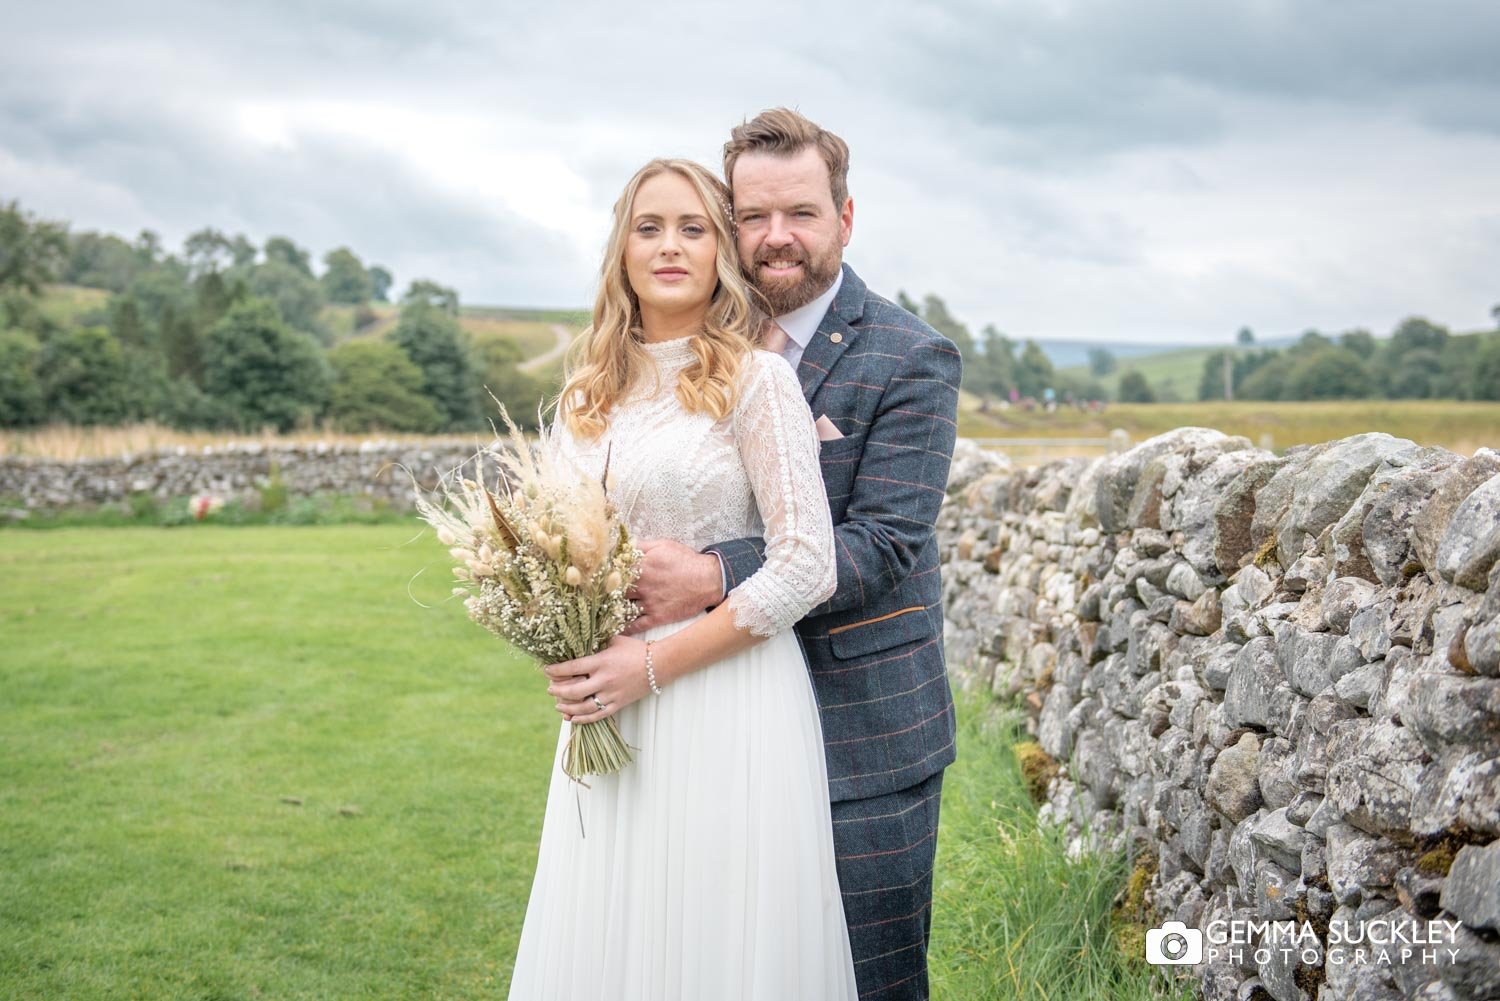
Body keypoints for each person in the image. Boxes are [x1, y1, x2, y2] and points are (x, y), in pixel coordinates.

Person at [615, 109, 963, 999]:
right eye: (752, 214)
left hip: (862, 735)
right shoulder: (688, 356)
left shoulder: (910, 356)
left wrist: (711, 572)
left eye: (801, 213)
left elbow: (883, 543)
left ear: (845, 219)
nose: (775, 238)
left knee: (865, 978)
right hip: (708, 719)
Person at [507, 157, 860, 1001]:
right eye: (649, 227)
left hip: (728, 696)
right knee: (612, 931)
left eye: (694, 227)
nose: (671, 246)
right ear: (621, 251)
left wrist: (656, 664)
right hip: (611, 707)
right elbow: (552, 551)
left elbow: (808, 562)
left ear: (720, 253)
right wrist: (561, 635)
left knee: (718, 933)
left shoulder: (757, 381)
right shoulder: (584, 397)